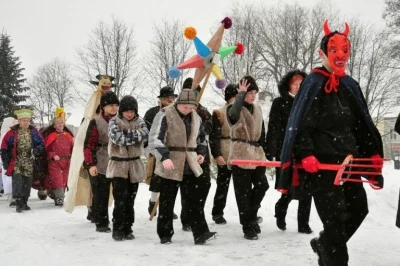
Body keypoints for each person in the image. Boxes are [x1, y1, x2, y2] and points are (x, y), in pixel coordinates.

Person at [278, 21, 384, 266]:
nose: (341, 55)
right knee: (335, 221)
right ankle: (332, 253)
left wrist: (372, 153)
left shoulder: (350, 85)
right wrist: (306, 154)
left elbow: (361, 124)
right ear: (323, 53)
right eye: (335, 50)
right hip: (323, 168)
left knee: (358, 210)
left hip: (350, 166)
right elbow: (301, 122)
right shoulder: (313, 83)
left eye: (345, 49)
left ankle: (324, 244)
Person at [149, 88, 217, 245]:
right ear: (178, 103)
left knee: (194, 201)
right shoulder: (165, 114)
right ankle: (165, 234)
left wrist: (201, 152)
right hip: (170, 164)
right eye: (185, 107)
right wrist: (164, 157)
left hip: (190, 164)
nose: (188, 110)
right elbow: (155, 140)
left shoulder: (196, 117)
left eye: (191, 107)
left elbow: (201, 139)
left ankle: (200, 233)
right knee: (167, 202)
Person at [265, 70, 313, 234]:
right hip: (286, 150)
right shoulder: (280, 102)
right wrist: (270, 149)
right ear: (288, 86)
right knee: (289, 187)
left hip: (307, 151)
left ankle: (303, 224)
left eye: (301, 84)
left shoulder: (310, 103)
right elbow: (274, 128)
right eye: (295, 84)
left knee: (308, 188)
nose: (298, 87)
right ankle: (281, 210)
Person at [227, 76, 269, 240]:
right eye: (249, 92)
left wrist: (264, 150)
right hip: (240, 152)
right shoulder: (234, 107)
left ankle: (251, 216)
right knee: (242, 193)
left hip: (256, 153)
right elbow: (232, 116)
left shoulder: (258, 109)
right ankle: (247, 226)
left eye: (254, 92)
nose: (252, 95)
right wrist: (240, 95)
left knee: (262, 185)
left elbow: (262, 133)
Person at [107, 95, 148, 241]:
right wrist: (134, 136)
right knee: (120, 200)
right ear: (121, 111)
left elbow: (145, 134)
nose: (130, 114)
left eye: (132, 111)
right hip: (118, 165)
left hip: (134, 165)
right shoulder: (113, 121)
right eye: (126, 111)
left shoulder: (140, 121)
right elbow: (117, 138)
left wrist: (128, 135)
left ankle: (128, 227)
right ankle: (117, 229)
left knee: (131, 200)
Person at [179, 77, 213, 232]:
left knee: (205, 184)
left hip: (201, 154)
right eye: (192, 91)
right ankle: (187, 218)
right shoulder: (178, 110)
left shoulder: (202, 111)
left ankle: (197, 213)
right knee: (187, 189)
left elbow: (209, 128)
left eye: (197, 91)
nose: (195, 94)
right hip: (184, 157)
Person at [84, 91, 119, 233]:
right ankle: (101, 222)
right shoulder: (96, 121)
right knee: (100, 194)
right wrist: (91, 164)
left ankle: (119, 221)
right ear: (103, 106)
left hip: (117, 160)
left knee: (119, 195)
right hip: (100, 160)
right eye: (111, 105)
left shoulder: (120, 120)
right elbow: (88, 145)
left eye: (116, 105)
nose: (114, 108)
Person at [1, 109, 46, 212]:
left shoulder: (33, 132)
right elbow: (4, 147)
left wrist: (37, 150)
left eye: (27, 120)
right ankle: (18, 202)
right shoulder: (12, 132)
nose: (26, 122)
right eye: (24, 120)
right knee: (18, 181)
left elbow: (41, 144)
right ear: (19, 121)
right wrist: (6, 162)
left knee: (27, 182)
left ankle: (24, 202)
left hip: (29, 162)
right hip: (16, 161)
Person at [143, 86, 178, 219]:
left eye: (172, 97)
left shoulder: (176, 112)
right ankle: (153, 202)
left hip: (171, 150)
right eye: (168, 97)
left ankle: (167, 207)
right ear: (161, 99)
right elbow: (147, 133)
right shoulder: (152, 112)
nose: (170, 100)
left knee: (169, 180)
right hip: (156, 150)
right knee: (157, 178)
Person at [209, 84, 237, 224]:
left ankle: (249, 212)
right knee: (223, 184)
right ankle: (218, 212)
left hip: (240, 152)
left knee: (243, 186)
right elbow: (214, 136)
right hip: (225, 151)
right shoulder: (219, 113)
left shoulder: (244, 112)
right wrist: (217, 154)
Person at [41, 107, 74, 206]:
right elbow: (46, 150)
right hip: (55, 162)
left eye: (62, 123)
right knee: (58, 180)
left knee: (64, 181)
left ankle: (56, 195)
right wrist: (53, 155)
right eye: (58, 123)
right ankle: (59, 198)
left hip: (67, 162)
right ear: (54, 126)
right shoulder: (51, 136)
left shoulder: (68, 135)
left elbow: (73, 148)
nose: (60, 124)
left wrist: (73, 157)